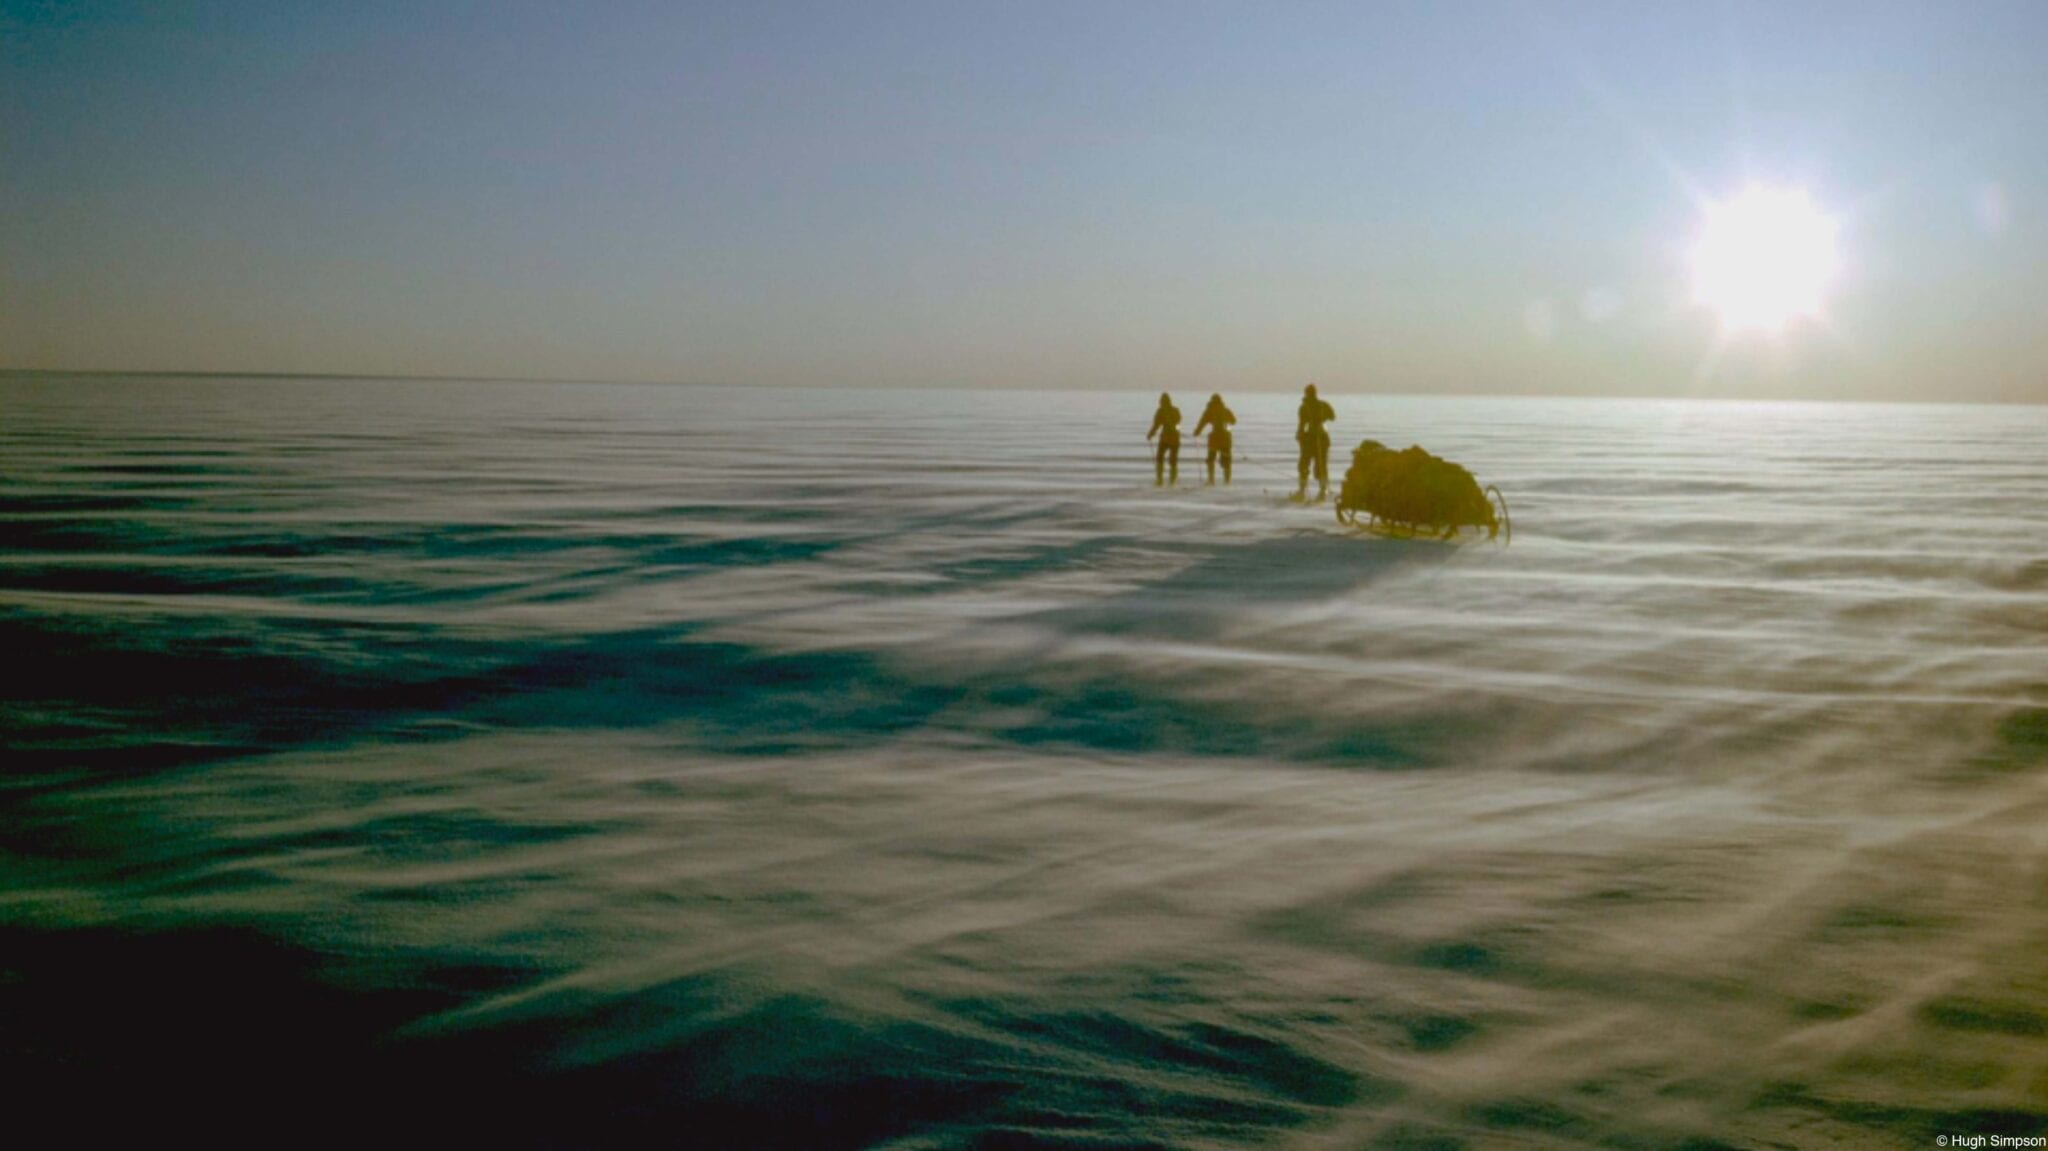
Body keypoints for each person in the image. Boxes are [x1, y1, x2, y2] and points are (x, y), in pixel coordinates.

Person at [1295, 383, 1336, 500]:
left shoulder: (1307, 406)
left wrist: (1299, 434)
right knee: (1316, 465)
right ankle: (1313, 491)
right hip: (1320, 438)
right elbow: (1333, 417)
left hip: (1315, 438)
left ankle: (1317, 491)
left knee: (1310, 465)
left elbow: (1302, 424)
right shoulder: (1321, 405)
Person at [1192, 393, 1235, 485]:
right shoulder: (1226, 410)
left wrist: (1197, 432)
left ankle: (1211, 480)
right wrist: (1227, 423)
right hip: (1226, 438)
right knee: (1226, 460)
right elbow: (1234, 421)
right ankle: (1227, 481)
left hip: (1214, 438)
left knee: (1211, 459)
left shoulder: (1209, 411)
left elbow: (1202, 423)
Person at [1147, 392, 1181, 486]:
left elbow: (1156, 425)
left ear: (1162, 401)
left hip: (1165, 438)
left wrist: (1150, 434)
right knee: (1173, 460)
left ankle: (1160, 479)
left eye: (1161, 401)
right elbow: (1179, 421)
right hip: (1175, 438)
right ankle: (1173, 480)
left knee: (1159, 458)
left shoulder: (1160, 411)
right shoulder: (1176, 410)